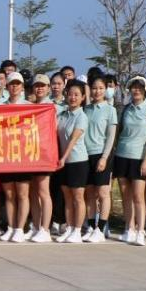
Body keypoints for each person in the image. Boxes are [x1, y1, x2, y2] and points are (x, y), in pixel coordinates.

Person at [113, 76, 146, 247]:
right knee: (125, 194)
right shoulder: (125, 109)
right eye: (133, 87)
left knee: (139, 196)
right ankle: (129, 227)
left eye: (140, 87)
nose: (136, 90)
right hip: (122, 155)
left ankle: (140, 230)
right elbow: (118, 133)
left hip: (139, 157)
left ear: (145, 90)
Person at [81, 75, 117, 242]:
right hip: (85, 154)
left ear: (106, 89)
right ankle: (90, 226)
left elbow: (111, 137)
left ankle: (101, 229)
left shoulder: (110, 110)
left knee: (103, 192)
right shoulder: (85, 109)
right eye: (94, 88)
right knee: (89, 193)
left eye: (101, 88)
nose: (97, 91)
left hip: (102, 154)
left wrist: (104, 157)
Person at [0, 72, 32, 243]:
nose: (14, 86)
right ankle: (11, 227)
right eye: (12, 83)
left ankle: (20, 228)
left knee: (23, 194)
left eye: (17, 83)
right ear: (7, 86)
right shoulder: (1, 106)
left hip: (23, 156)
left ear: (22, 86)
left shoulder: (30, 107)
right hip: (6, 156)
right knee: (9, 194)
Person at [55, 80, 89, 244]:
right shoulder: (62, 115)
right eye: (70, 94)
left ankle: (77, 230)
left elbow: (73, 140)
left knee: (77, 197)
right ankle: (69, 228)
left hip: (77, 161)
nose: (73, 97)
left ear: (83, 97)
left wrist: (63, 157)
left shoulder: (82, 117)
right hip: (63, 162)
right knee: (67, 197)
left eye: (77, 95)